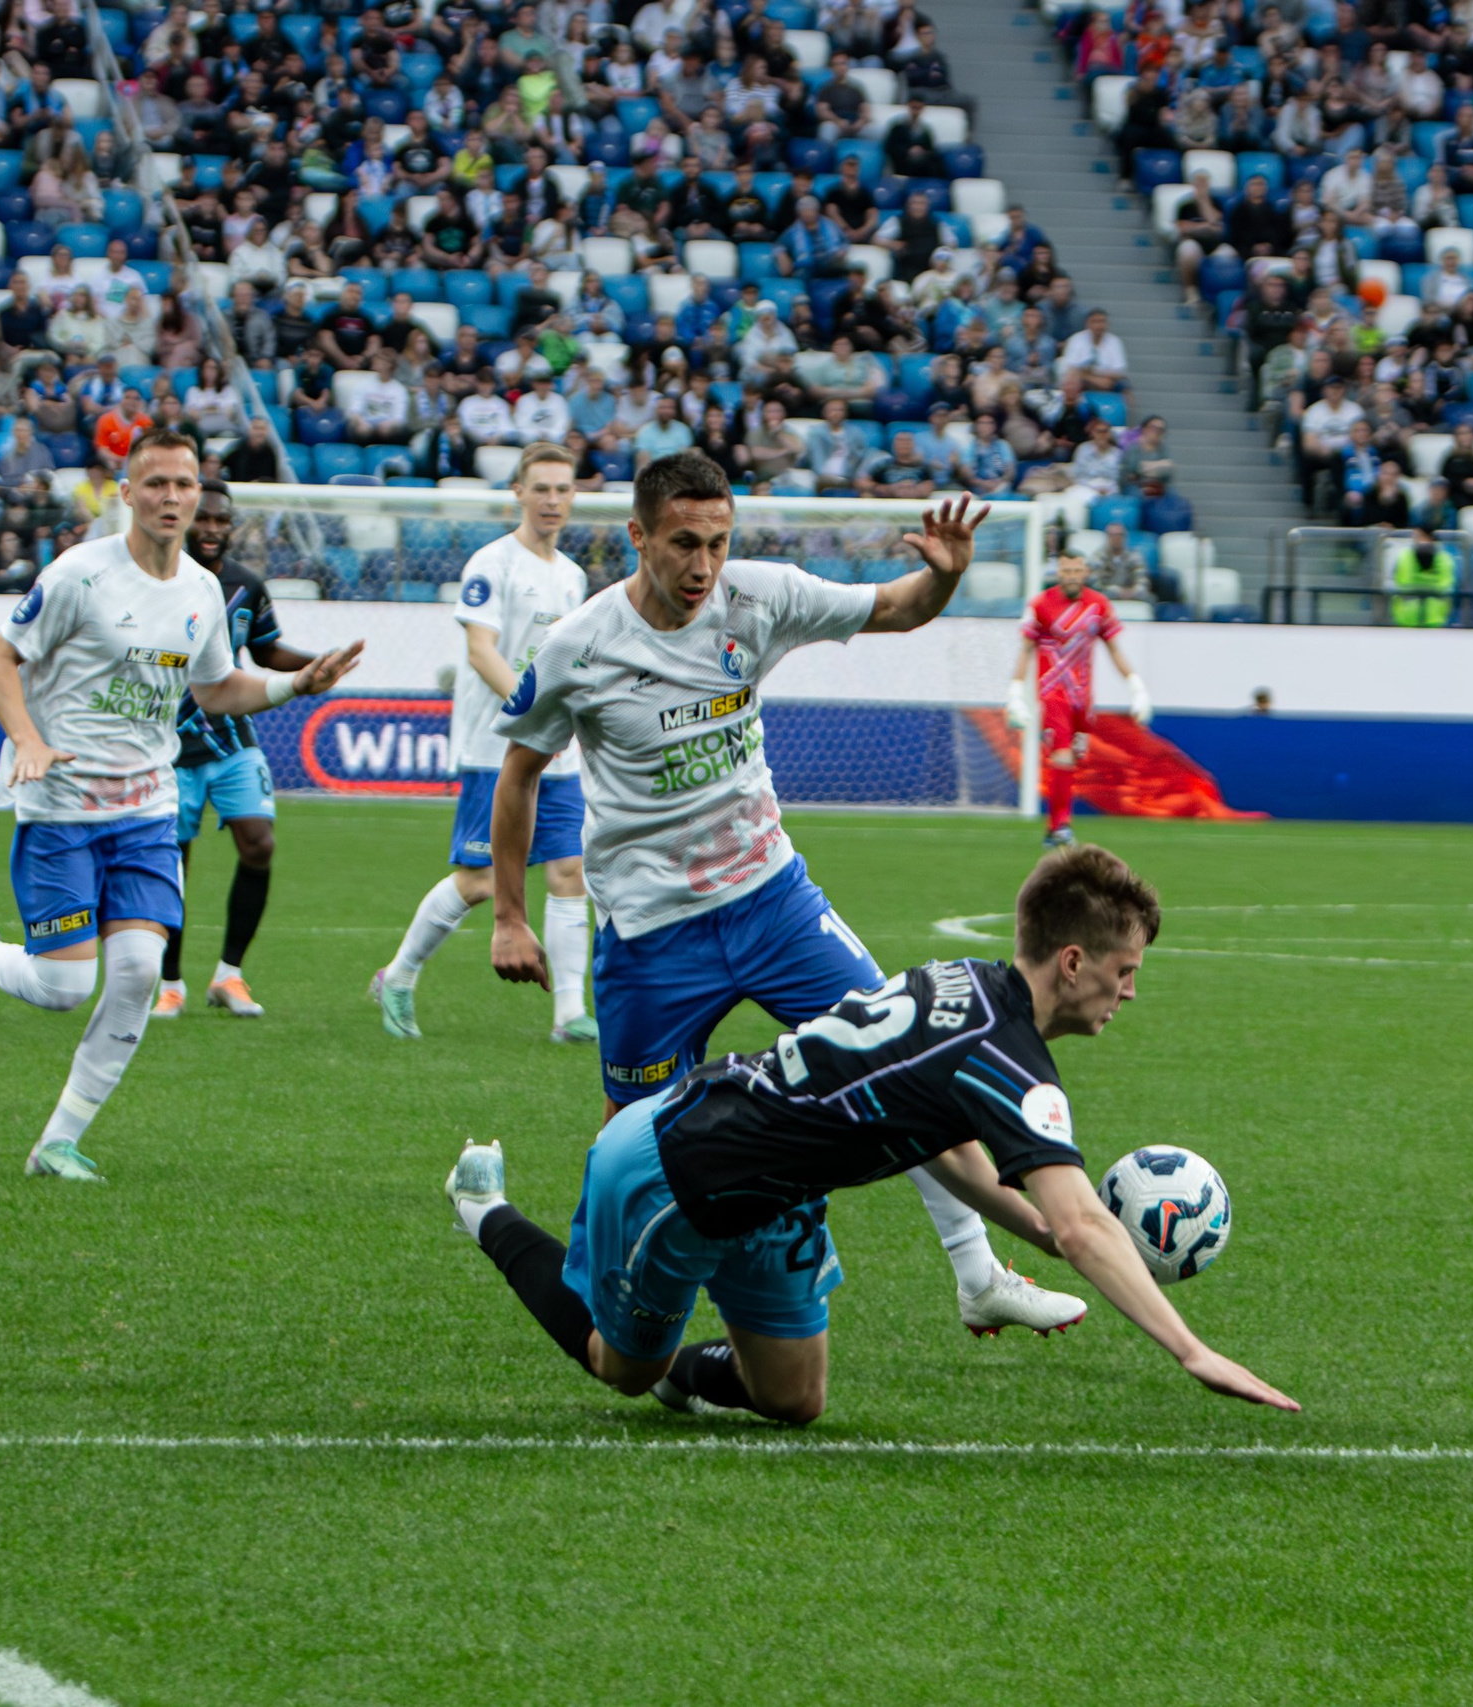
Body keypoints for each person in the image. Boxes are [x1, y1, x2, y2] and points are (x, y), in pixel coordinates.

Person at [484, 452, 1086, 1336]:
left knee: (907, 1057)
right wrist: (507, 914)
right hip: (652, 936)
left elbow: (897, 607)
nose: (702, 566)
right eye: (683, 543)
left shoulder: (760, 597)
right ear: (637, 537)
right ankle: (610, 1297)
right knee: (634, 1138)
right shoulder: (580, 644)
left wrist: (944, 576)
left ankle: (977, 1272)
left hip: (773, 901)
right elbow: (519, 774)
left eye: (718, 543)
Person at [442, 844, 1300, 1421]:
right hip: (683, 1168)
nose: (1130, 992)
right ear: (1073, 962)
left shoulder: (969, 985)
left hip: (771, 1185)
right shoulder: (1013, 1063)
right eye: (1125, 971)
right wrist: (1192, 1352)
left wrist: (1035, 1228)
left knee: (794, 1400)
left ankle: (672, 1355)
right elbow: (1082, 1224)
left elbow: (944, 1144)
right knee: (615, 1368)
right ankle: (487, 1210)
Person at [0, 433, 365, 1182]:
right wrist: (27, 738)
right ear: (126, 494)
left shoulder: (201, 592)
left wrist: (297, 684)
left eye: (183, 483)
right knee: (64, 987)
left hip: (143, 810)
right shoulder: (80, 575)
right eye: (155, 482)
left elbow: (217, 688)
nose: (171, 496)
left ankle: (56, 1142)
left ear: (199, 495)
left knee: (135, 970)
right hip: (61, 806)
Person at [373, 444, 597, 1043]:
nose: (552, 500)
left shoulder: (573, 576)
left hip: (558, 752)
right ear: (518, 494)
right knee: (480, 883)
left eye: (562, 489)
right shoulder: (491, 564)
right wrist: (533, 713)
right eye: (541, 489)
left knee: (571, 871)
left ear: (574, 496)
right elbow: (481, 650)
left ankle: (569, 1014)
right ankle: (398, 975)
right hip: (494, 747)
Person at [153, 482, 329, 1020]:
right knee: (172, 865)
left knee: (259, 844)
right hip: (170, 745)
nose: (210, 529)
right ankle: (169, 983)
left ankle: (229, 975)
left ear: (232, 525)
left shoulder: (246, 586)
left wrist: (313, 666)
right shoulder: (160, 580)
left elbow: (265, 649)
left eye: (220, 520)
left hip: (232, 736)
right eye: (201, 519)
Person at [1007, 550, 1153, 849]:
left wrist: (1136, 686)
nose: (1071, 575)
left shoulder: (1098, 605)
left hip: (1082, 698)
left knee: (1072, 759)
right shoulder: (1040, 605)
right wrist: (1015, 691)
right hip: (1052, 692)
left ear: (1085, 572)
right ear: (1058, 572)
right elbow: (1025, 648)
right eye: (1066, 570)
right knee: (1061, 754)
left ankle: (1053, 828)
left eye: (1076, 570)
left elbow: (1114, 648)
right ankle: (1061, 825)